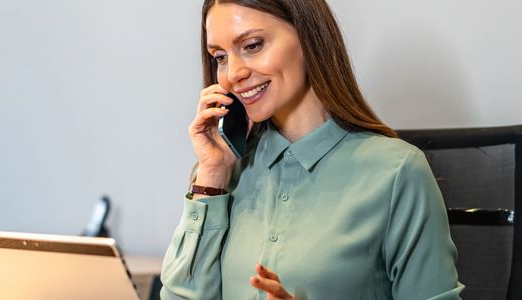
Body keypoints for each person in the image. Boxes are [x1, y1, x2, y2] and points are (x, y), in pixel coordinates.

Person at [160, 0, 464, 299]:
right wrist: (212, 176)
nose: (233, 73)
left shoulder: (397, 172)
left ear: (308, 37)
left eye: (252, 45)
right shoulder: (223, 172)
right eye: (220, 57)